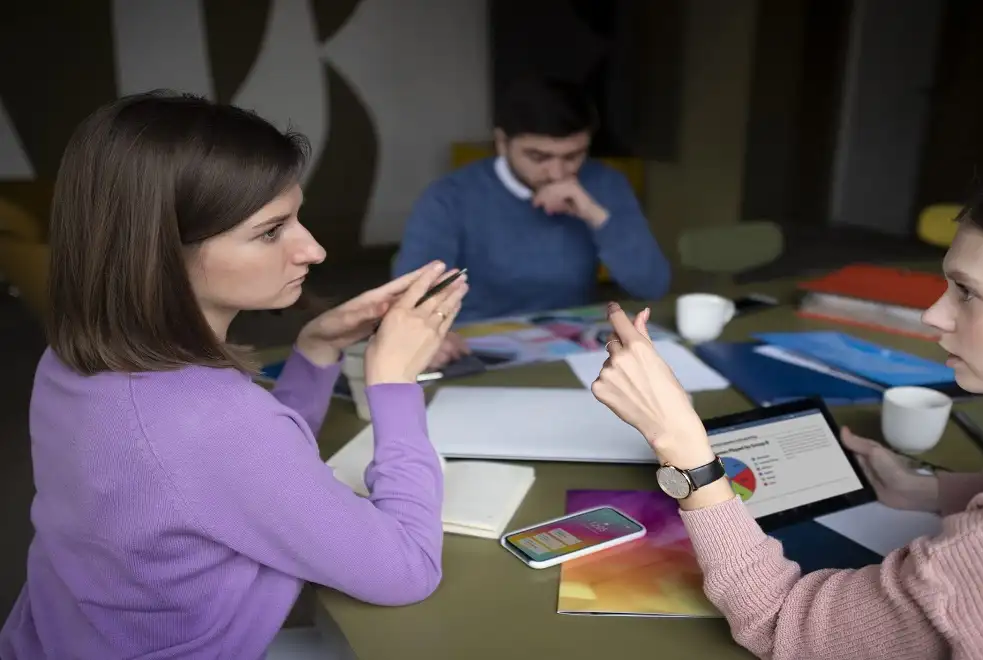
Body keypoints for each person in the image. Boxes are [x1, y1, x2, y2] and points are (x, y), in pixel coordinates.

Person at [590, 153, 983, 659]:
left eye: (967, 292)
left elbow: (784, 624)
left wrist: (687, 451)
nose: (933, 314)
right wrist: (928, 491)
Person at [0, 91, 468, 659]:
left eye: (297, 218)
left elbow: (235, 479)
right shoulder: (213, 423)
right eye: (271, 231)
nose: (314, 250)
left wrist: (316, 349)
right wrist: (393, 381)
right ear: (163, 252)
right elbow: (408, 570)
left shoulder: (72, 359)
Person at [392, 76, 671, 368]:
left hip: (577, 345)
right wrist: (433, 333)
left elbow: (652, 286)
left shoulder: (605, 184)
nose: (556, 172)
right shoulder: (450, 197)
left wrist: (595, 215)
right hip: (476, 344)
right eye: (539, 156)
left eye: (573, 156)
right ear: (502, 143)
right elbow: (414, 296)